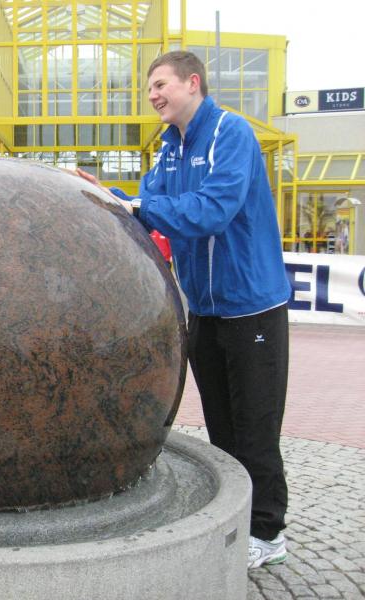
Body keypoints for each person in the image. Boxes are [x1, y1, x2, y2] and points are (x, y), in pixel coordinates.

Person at [77, 50, 291, 570]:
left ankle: (268, 532)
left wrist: (136, 205)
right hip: (206, 311)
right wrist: (106, 196)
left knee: (255, 429)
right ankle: (237, 522)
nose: (153, 95)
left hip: (252, 309)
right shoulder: (169, 148)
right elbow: (147, 205)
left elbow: (213, 210)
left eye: (161, 84)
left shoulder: (230, 133)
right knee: (222, 428)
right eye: (149, 88)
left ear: (193, 82)